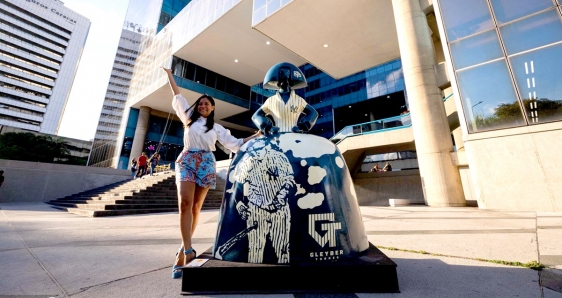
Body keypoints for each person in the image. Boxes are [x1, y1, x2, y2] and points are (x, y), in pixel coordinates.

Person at [212, 62, 369, 265]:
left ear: (293, 82)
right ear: (276, 83)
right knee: (257, 246)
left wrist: (305, 124)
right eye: (281, 80)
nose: (284, 83)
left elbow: (312, 113)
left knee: (280, 243)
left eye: (288, 80)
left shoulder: (298, 100)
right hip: (274, 141)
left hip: (294, 137)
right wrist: (266, 125)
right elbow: (257, 115)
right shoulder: (270, 102)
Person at [161, 67, 261, 279]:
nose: (203, 105)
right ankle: (187, 252)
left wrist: (257, 135)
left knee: (196, 208)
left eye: (207, 103)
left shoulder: (217, 128)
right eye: (201, 103)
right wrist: (170, 74)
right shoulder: (187, 116)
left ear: (212, 108)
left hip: (206, 162)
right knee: (185, 204)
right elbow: (177, 95)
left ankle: (182, 249)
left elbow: (235, 144)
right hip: (187, 160)